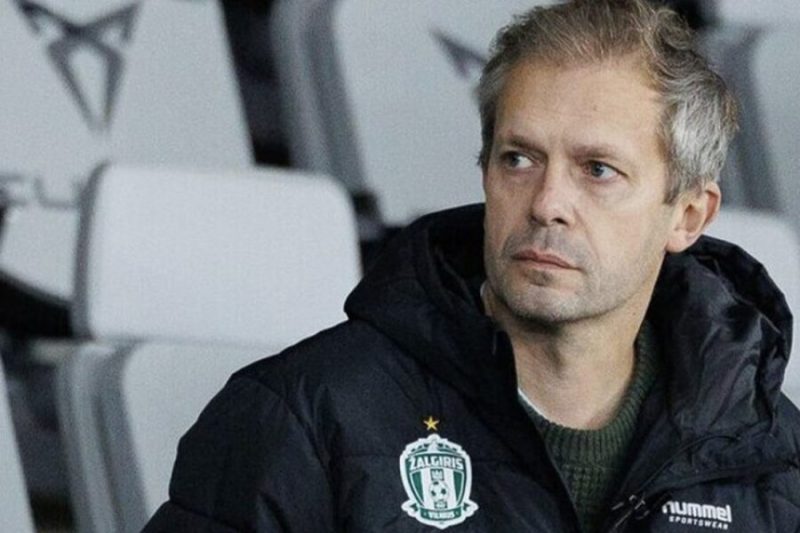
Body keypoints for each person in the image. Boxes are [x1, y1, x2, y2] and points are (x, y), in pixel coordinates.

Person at [144, 1, 800, 531]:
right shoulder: (303, 417)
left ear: (688, 215)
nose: (547, 203)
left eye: (598, 170)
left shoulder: (774, 460)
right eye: (519, 158)